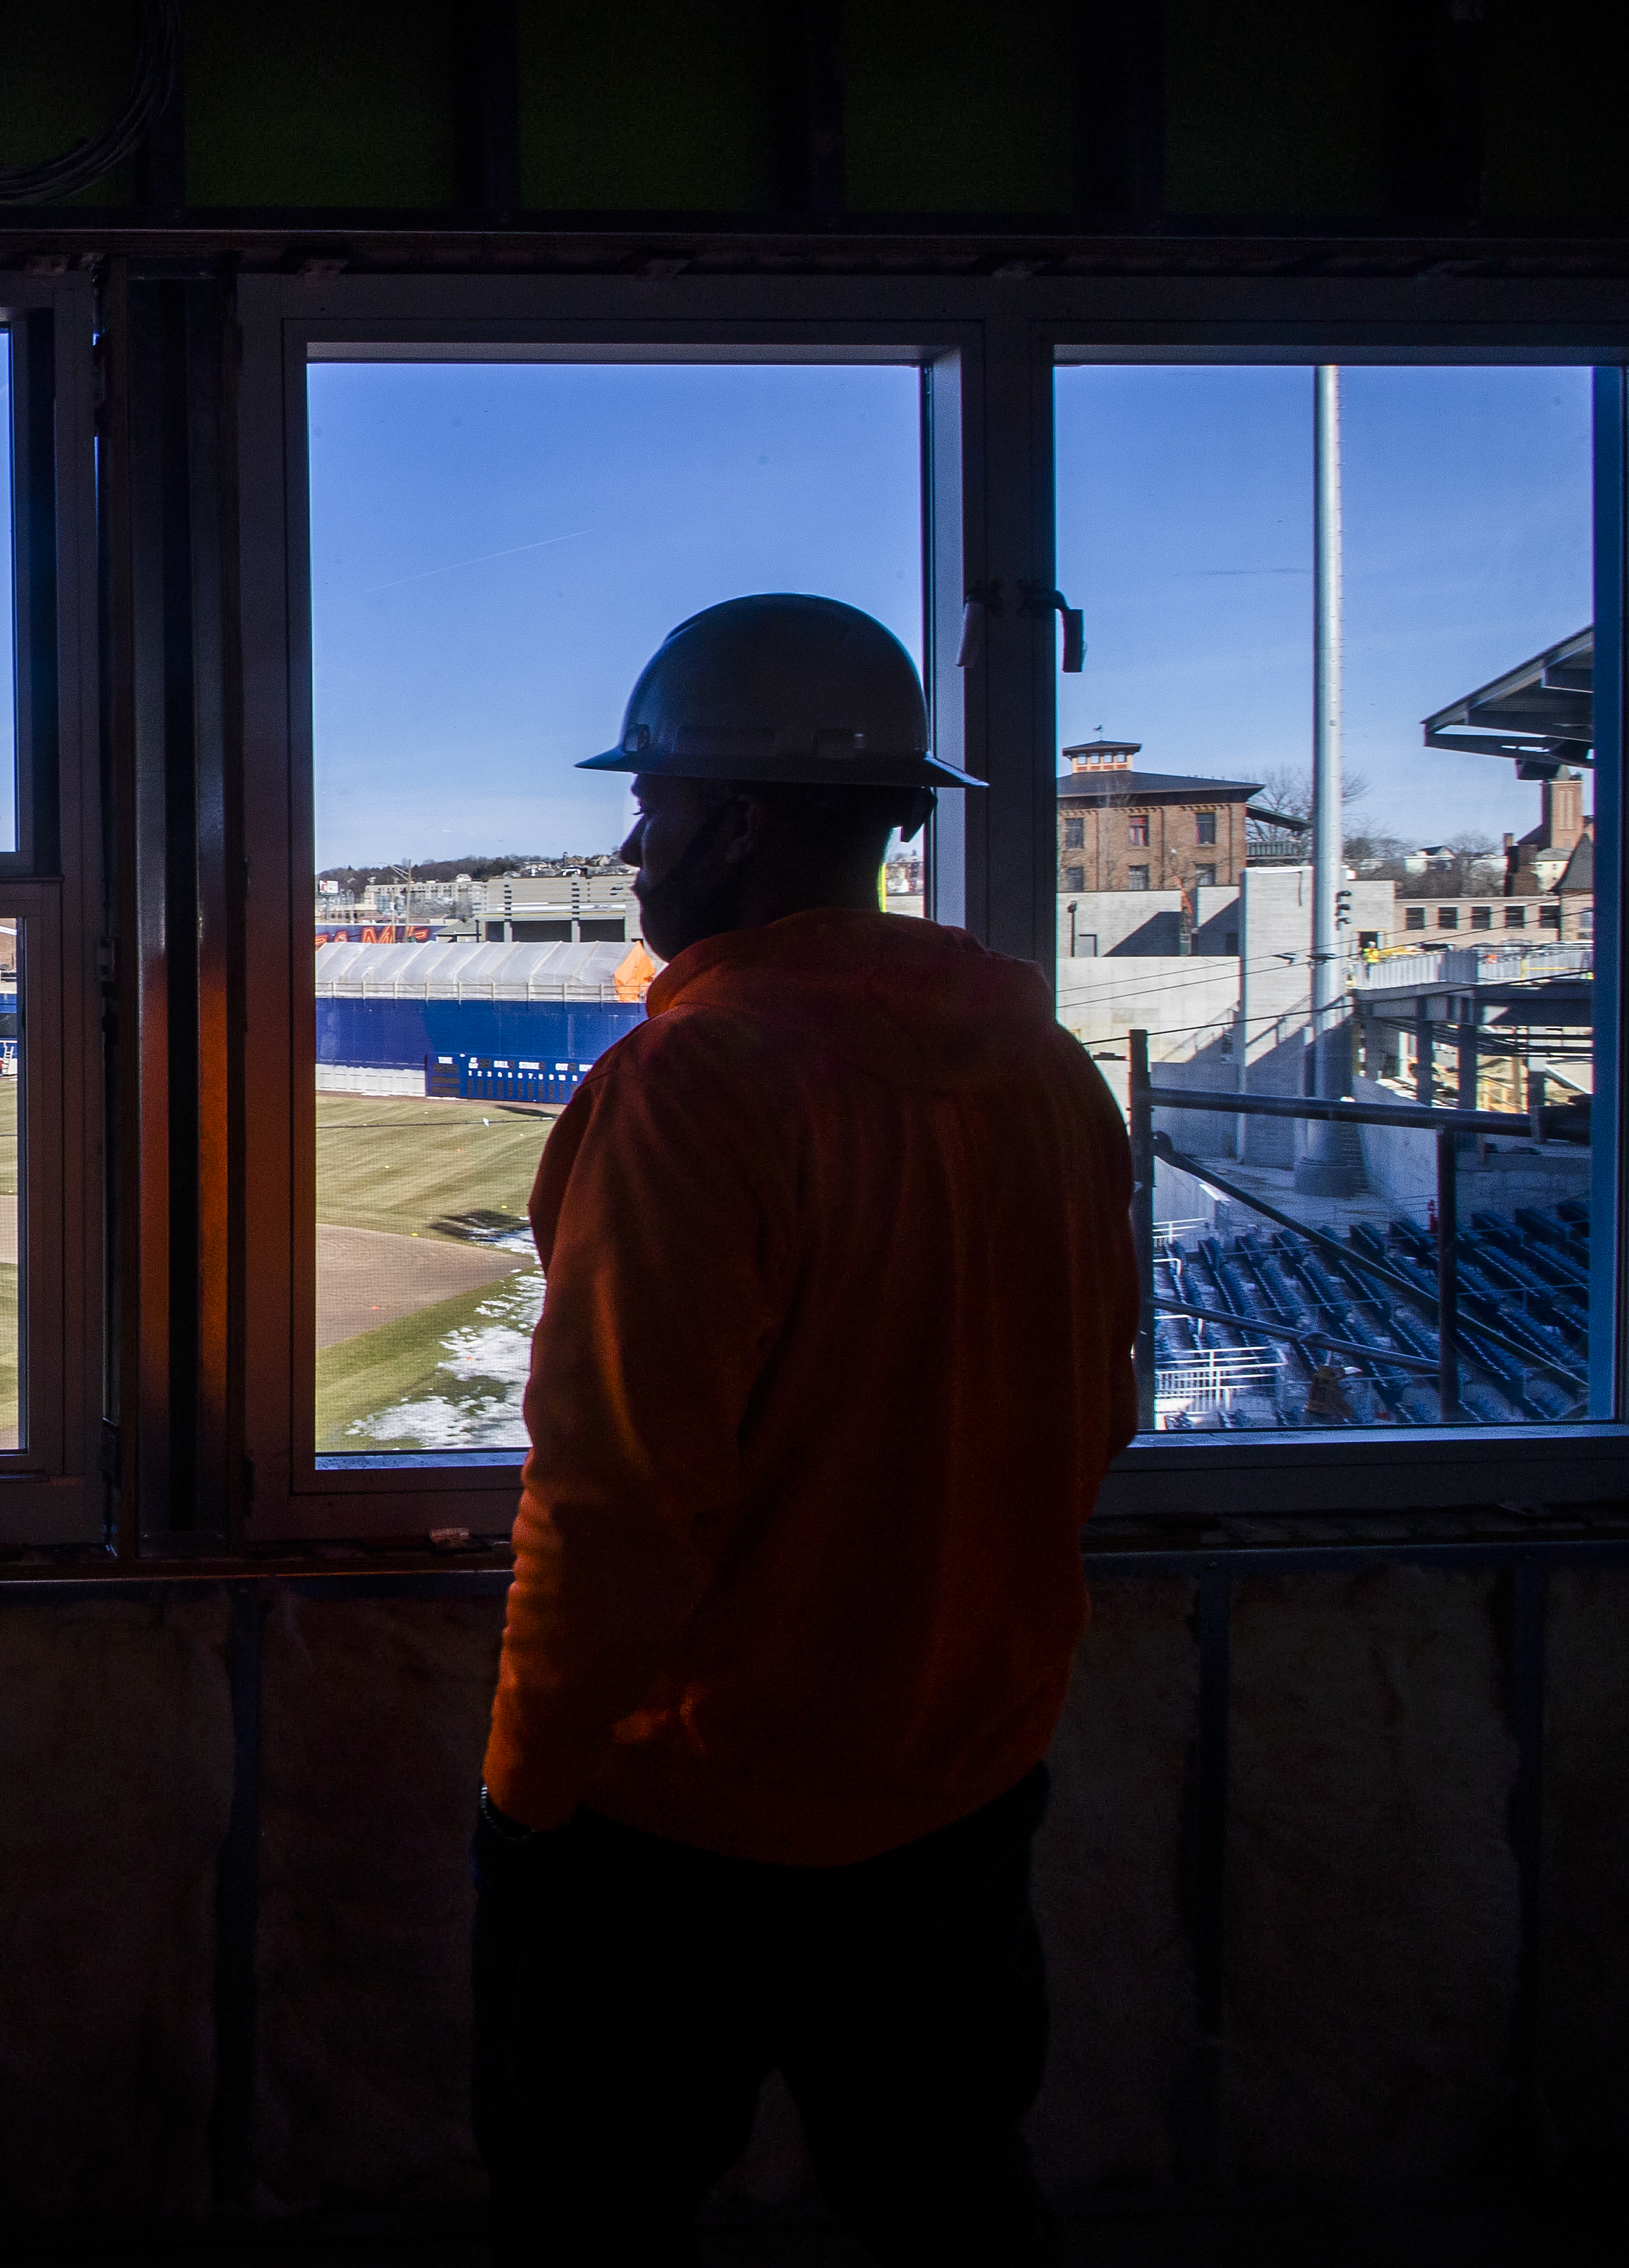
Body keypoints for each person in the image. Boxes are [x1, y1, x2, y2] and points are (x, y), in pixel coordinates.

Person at [473, 595, 1137, 2266]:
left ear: (741, 823)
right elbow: (1095, 1416)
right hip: (966, 1784)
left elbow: (618, 1500)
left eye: (656, 805)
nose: (634, 848)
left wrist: (527, 1790)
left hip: (691, 1818)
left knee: (590, 2218)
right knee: (951, 2197)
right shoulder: (1052, 1071)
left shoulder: (694, 1086)